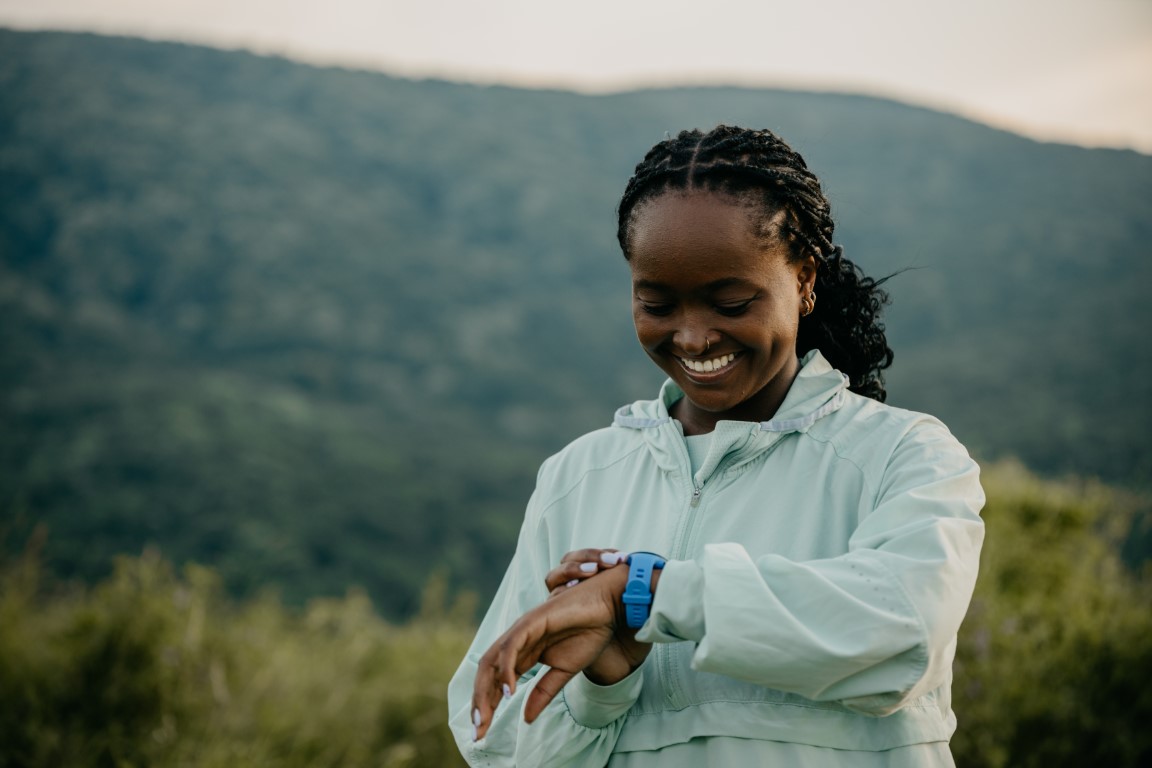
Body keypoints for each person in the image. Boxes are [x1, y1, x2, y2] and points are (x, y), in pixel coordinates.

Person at [448, 125, 985, 766]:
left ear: (804, 278)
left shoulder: (904, 456)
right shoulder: (580, 475)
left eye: (730, 302)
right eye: (657, 303)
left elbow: (902, 638)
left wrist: (647, 593)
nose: (694, 337)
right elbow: (495, 745)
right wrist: (602, 685)